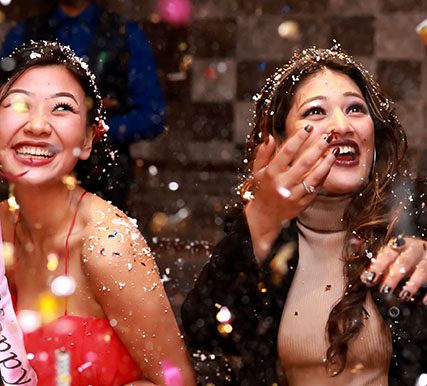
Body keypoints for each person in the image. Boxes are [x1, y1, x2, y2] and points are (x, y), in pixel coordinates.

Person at [181, 45, 427, 386]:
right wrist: (262, 218)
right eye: (315, 112)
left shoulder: (409, 231)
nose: (341, 125)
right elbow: (203, 331)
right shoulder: (265, 243)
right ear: (279, 144)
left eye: (355, 109)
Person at [0, 41, 195, 386]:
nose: (38, 125)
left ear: (87, 139)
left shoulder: (107, 244)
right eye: (18, 104)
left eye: (61, 108)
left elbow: (176, 382)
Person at [0, 0, 165, 211]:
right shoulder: (23, 33)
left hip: (105, 182)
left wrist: (93, 130)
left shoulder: (125, 34)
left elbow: (152, 116)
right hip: (35, 179)